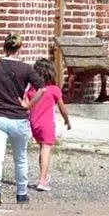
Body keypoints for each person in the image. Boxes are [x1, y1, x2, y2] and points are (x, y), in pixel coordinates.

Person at [0, 34, 37, 207]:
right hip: (19, 118)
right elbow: (42, 88)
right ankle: (21, 193)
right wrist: (29, 104)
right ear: (19, 48)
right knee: (20, 157)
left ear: (3, 47)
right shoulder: (27, 69)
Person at [27, 57, 72, 192]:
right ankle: (42, 179)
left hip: (34, 124)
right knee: (46, 150)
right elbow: (62, 107)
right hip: (47, 124)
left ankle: (44, 175)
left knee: (42, 149)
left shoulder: (32, 90)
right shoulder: (54, 90)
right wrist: (67, 119)